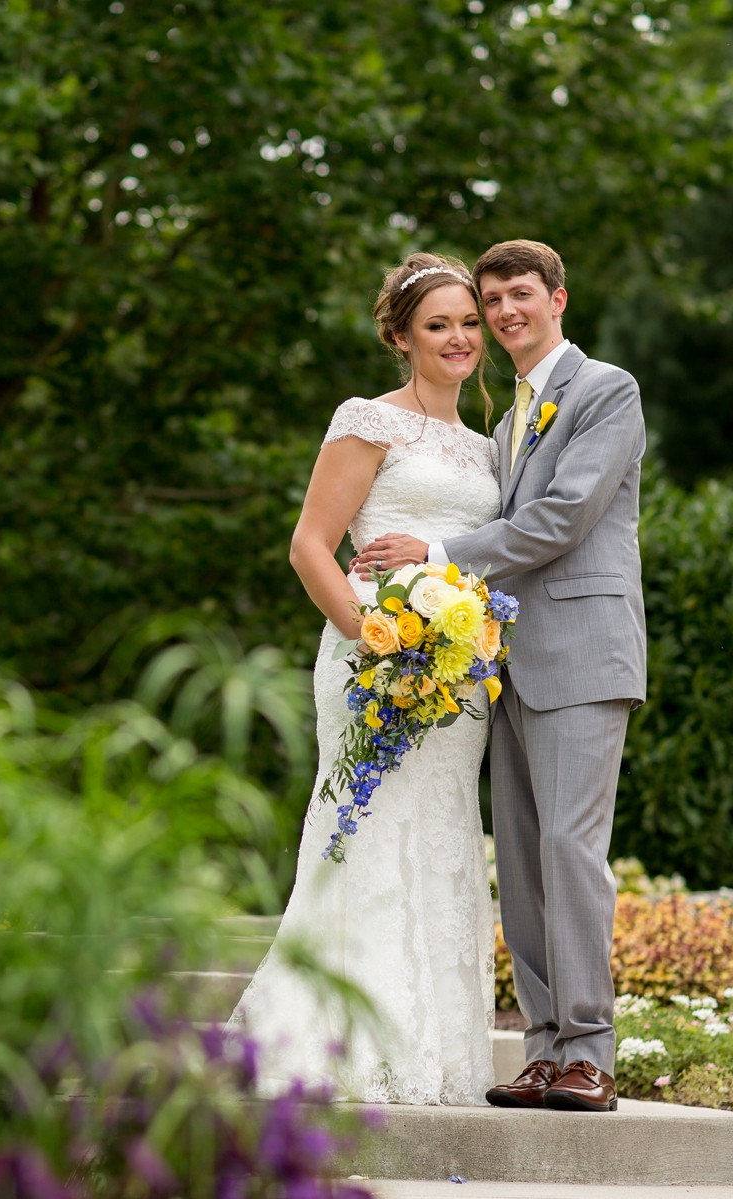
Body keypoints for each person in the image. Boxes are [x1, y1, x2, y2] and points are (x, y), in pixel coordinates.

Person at [356, 239, 646, 1112]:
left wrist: (435, 551)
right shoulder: (505, 422)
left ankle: (590, 1052)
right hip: (502, 666)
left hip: (583, 654)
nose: (505, 312)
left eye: (521, 293)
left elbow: (562, 518)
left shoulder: (605, 391)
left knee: (569, 850)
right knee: (520, 861)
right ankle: (545, 1049)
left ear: (558, 297)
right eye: (493, 300)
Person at [225, 252, 501, 1104]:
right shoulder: (368, 421)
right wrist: (374, 640)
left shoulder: (489, 447)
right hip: (371, 659)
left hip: (457, 675)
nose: (459, 338)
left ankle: (434, 1050)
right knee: (367, 827)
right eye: (437, 325)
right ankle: (336, 1038)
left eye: (468, 322)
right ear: (401, 336)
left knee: (442, 829)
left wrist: (453, 646)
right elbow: (310, 544)